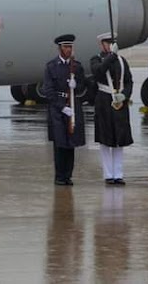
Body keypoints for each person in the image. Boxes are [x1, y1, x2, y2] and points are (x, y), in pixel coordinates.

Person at [90, 33, 133, 185]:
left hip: (119, 101)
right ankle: (108, 174)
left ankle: (118, 174)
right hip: (104, 100)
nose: (109, 45)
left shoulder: (122, 61)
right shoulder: (96, 59)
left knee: (119, 139)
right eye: (107, 43)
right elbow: (99, 71)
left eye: (112, 42)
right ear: (101, 44)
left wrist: (125, 95)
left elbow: (129, 81)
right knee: (105, 139)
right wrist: (111, 56)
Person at [43, 34, 86, 186]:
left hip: (73, 104)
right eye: (65, 47)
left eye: (70, 47)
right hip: (58, 107)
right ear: (60, 48)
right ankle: (59, 176)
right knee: (60, 143)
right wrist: (62, 107)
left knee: (71, 143)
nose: (68, 50)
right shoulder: (51, 66)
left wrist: (77, 85)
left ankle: (68, 175)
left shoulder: (76, 67)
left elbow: (83, 87)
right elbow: (48, 90)